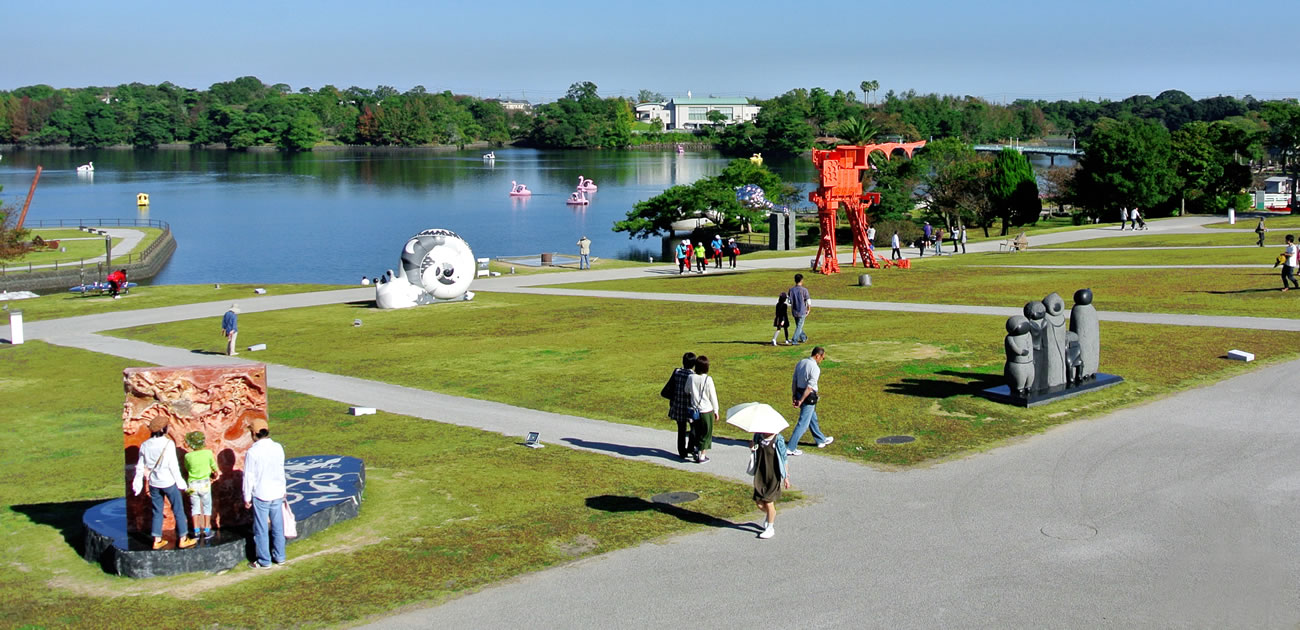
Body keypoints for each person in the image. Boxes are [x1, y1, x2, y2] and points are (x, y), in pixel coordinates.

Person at [134, 417, 197, 550]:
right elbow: (173, 466)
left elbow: (140, 466)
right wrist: (181, 483)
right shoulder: (168, 444)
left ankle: (157, 540)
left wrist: (137, 483)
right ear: (163, 429)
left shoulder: (145, 445)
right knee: (178, 510)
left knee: (157, 511)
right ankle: (183, 538)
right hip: (168, 482)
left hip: (154, 483)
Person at [243, 418, 287, 569]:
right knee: (278, 526)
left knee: (261, 529)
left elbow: (249, 476)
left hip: (261, 494)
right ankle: (280, 555)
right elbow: (281, 470)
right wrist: (283, 490)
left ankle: (264, 560)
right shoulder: (278, 447)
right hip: (277, 492)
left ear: (254, 433)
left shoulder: (253, 452)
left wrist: (246, 496)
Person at [788, 346, 833, 455]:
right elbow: (809, 387)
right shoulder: (815, 368)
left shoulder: (801, 362)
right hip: (807, 396)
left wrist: (794, 395)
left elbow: (794, 380)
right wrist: (801, 400)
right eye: (822, 358)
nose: (822, 360)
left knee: (813, 418)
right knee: (803, 423)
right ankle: (791, 447)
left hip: (798, 391)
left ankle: (820, 439)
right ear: (818, 356)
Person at [751, 430, 790, 539]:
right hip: (760, 473)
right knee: (759, 502)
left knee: (768, 502)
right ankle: (770, 515)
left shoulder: (778, 439)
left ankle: (770, 527)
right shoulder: (758, 436)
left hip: (773, 475)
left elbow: (784, 459)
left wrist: (786, 477)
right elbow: (755, 450)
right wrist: (752, 447)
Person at [184, 431, 219, 540]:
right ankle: (207, 530)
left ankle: (196, 531)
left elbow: (187, 468)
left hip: (192, 484)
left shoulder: (187, 456)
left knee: (195, 507)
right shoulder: (208, 453)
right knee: (207, 506)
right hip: (205, 483)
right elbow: (214, 467)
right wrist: (215, 474)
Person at [662, 352, 696, 461]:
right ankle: (690, 447)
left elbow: (669, 387)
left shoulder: (677, 372)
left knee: (681, 430)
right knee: (693, 428)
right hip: (690, 407)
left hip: (678, 405)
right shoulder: (694, 376)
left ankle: (682, 452)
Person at [687, 356, 719, 464]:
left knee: (697, 432)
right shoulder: (708, 379)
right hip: (706, 410)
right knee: (706, 433)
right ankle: (702, 455)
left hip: (695, 410)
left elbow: (686, 390)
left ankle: (697, 451)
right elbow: (713, 396)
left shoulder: (691, 377)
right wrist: (716, 410)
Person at [787, 273, 811, 345]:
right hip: (802, 310)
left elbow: (789, 301)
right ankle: (794, 340)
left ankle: (803, 337)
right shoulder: (804, 290)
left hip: (794, 310)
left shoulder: (791, 290)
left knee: (798, 325)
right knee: (799, 326)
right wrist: (808, 309)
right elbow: (808, 301)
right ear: (801, 280)